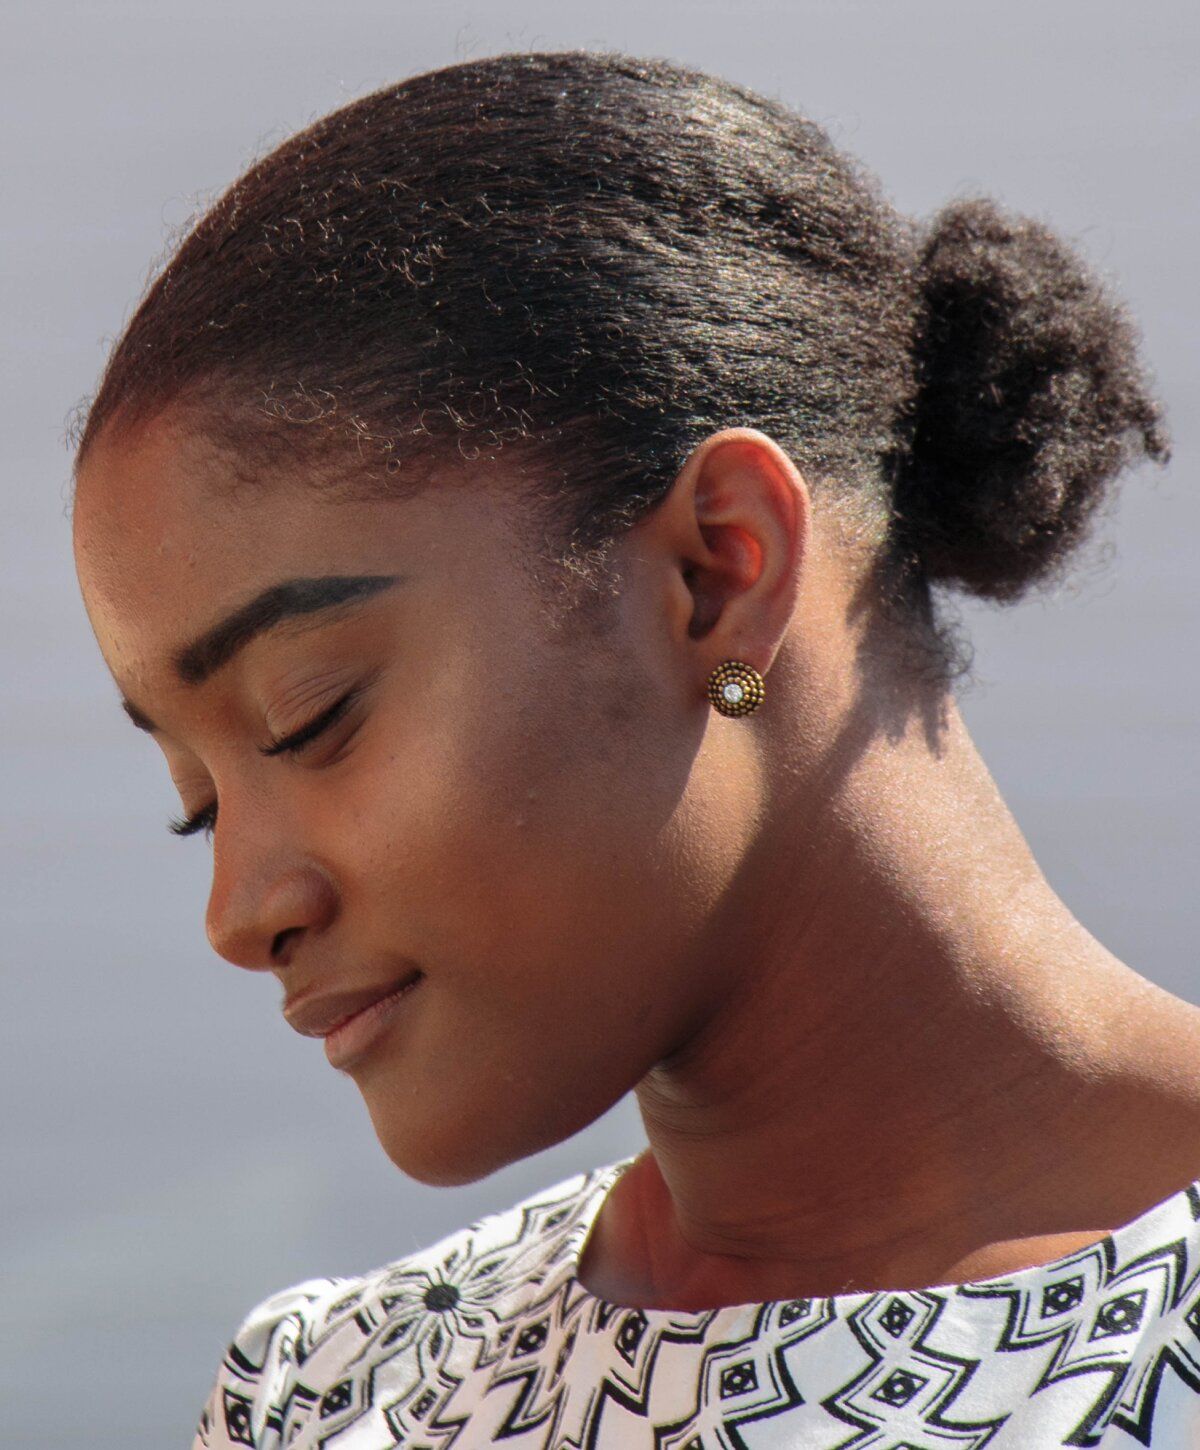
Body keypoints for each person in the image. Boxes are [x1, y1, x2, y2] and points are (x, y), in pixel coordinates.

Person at [68, 47, 1200, 1450]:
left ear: (717, 572)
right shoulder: (331, 1394)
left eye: (310, 715)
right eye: (196, 799)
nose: (241, 911)